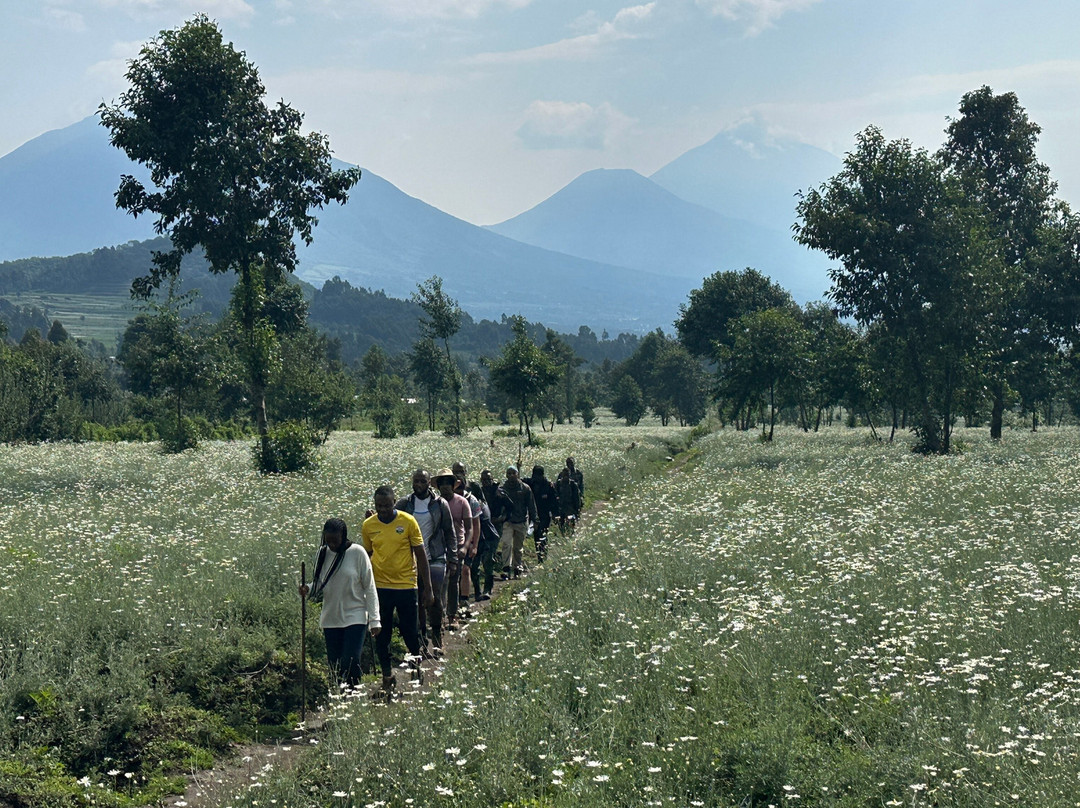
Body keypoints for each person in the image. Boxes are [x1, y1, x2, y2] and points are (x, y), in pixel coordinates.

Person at [362, 485, 434, 695]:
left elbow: (421, 555)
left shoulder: (408, 521)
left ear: (394, 503)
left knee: (409, 630)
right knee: (381, 633)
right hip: (380, 587)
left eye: (387, 505)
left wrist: (428, 588)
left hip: (406, 585)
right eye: (379, 506)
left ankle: (416, 666)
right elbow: (367, 556)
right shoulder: (368, 525)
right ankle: (387, 676)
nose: (383, 509)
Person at [299, 518, 381, 690]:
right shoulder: (323, 553)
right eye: (328, 541)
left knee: (350, 661)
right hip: (331, 618)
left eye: (335, 541)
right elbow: (321, 583)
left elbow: (370, 587)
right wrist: (308, 589)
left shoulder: (358, 553)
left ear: (343, 536)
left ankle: (354, 694)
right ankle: (339, 696)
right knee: (335, 665)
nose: (332, 545)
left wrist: (375, 620)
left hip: (356, 616)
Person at [396, 470, 455, 656]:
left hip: (435, 556)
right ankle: (421, 639)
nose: (419, 485)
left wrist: (453, 558)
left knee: (434, 598)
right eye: (416, 481)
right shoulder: (405, 504)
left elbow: (449, 532)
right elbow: (390, 519)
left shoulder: (440, 504)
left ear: (430, 483)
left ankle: (437, 636)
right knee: (418, 601)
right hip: (412, 559)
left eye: (423, 481)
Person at [434, 469, 471, 631]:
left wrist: (466, 546)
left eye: (448, 483)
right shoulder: (434, 503)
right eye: (442, 483)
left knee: (453, 583)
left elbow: (469, 528)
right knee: (440, 583)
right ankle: (440, 617)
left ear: (453, 485)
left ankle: (452, 616)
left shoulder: (462, 502)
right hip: (439, 548)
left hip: (457, 547)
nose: (445, 486)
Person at [496, 465, 537, 578]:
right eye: (509, 473)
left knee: (518, 547)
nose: (511, 476)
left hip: (521, 521)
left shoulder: (525, 488)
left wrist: (535, 520)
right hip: (508, 521)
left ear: (517, 474)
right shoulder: (502, 489)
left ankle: (517, 566)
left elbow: (531, 505)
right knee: (507, 544)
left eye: (513, 473)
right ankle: (506, 568)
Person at [466, 480, 502, 600]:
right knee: (474, 566)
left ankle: (487, 590)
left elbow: (480, 524)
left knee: (487, 563)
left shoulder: (480, 505)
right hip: (479, 538)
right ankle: (477, 592)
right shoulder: (471, 504)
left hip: (488, 537)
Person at [526, 464, 557, 563]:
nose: (536, 478)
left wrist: (555, 514)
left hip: (545, 515)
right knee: (536, 536)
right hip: (534, 515)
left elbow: (554, 501)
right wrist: (518, 467)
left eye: (538, 475)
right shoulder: (531, 483)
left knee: (542, 534)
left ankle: (543, 556)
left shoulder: (548, 485)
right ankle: (540, 556)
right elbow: (518, 481)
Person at [555, 467, 581, 533]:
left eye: (567, 475)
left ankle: (571, 534)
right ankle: (563, 534)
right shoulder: (558, 484)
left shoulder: (573, 485)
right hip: (561, 507)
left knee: (571, 523)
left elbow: (576, 498)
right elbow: (555, 494)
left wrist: (577, 509)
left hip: (570, 507)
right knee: (561, 524)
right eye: (564, 475)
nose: (566, 477)